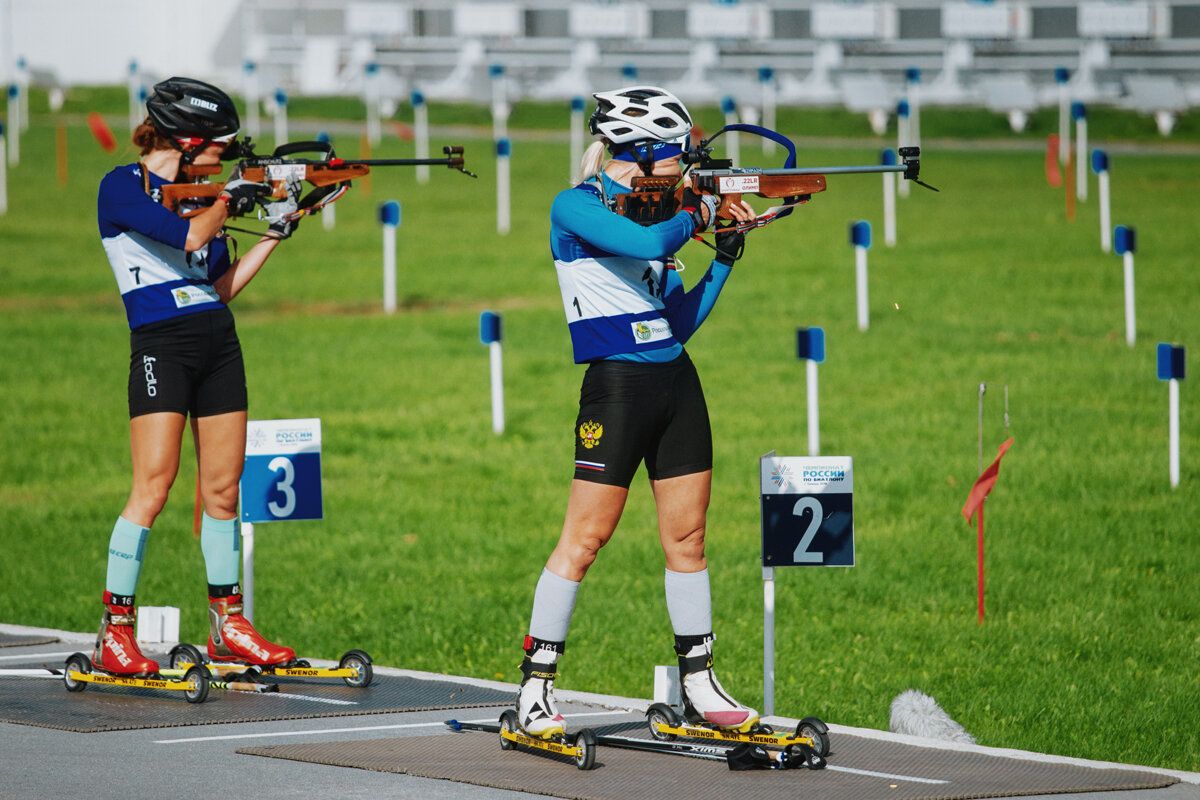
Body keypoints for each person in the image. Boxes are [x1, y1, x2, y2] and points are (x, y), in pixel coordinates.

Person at [517, 86, 759, 737]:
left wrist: (726, 255)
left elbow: (677, 321)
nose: (682, 167)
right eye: (675, 156)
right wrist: (699, 211)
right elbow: (647, 243)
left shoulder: (663, 210)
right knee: (585, 538)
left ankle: (700, 684)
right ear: (643, 152)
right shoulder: (576, 207)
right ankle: (535, 688)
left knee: (688, 539)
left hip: (675, 382)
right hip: (617, 389)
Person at [93, 77, 302, 675]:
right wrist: (230, 198)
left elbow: (217, 288)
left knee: (223, 491)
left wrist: (275, 231)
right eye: (219, 145)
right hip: (162, 343)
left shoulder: (203, 194)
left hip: (216, 340)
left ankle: (228, 624)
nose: (227, 155)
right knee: (153, 488)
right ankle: (117, 630)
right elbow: (189, 235)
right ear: (186, 141)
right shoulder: (121, 188)